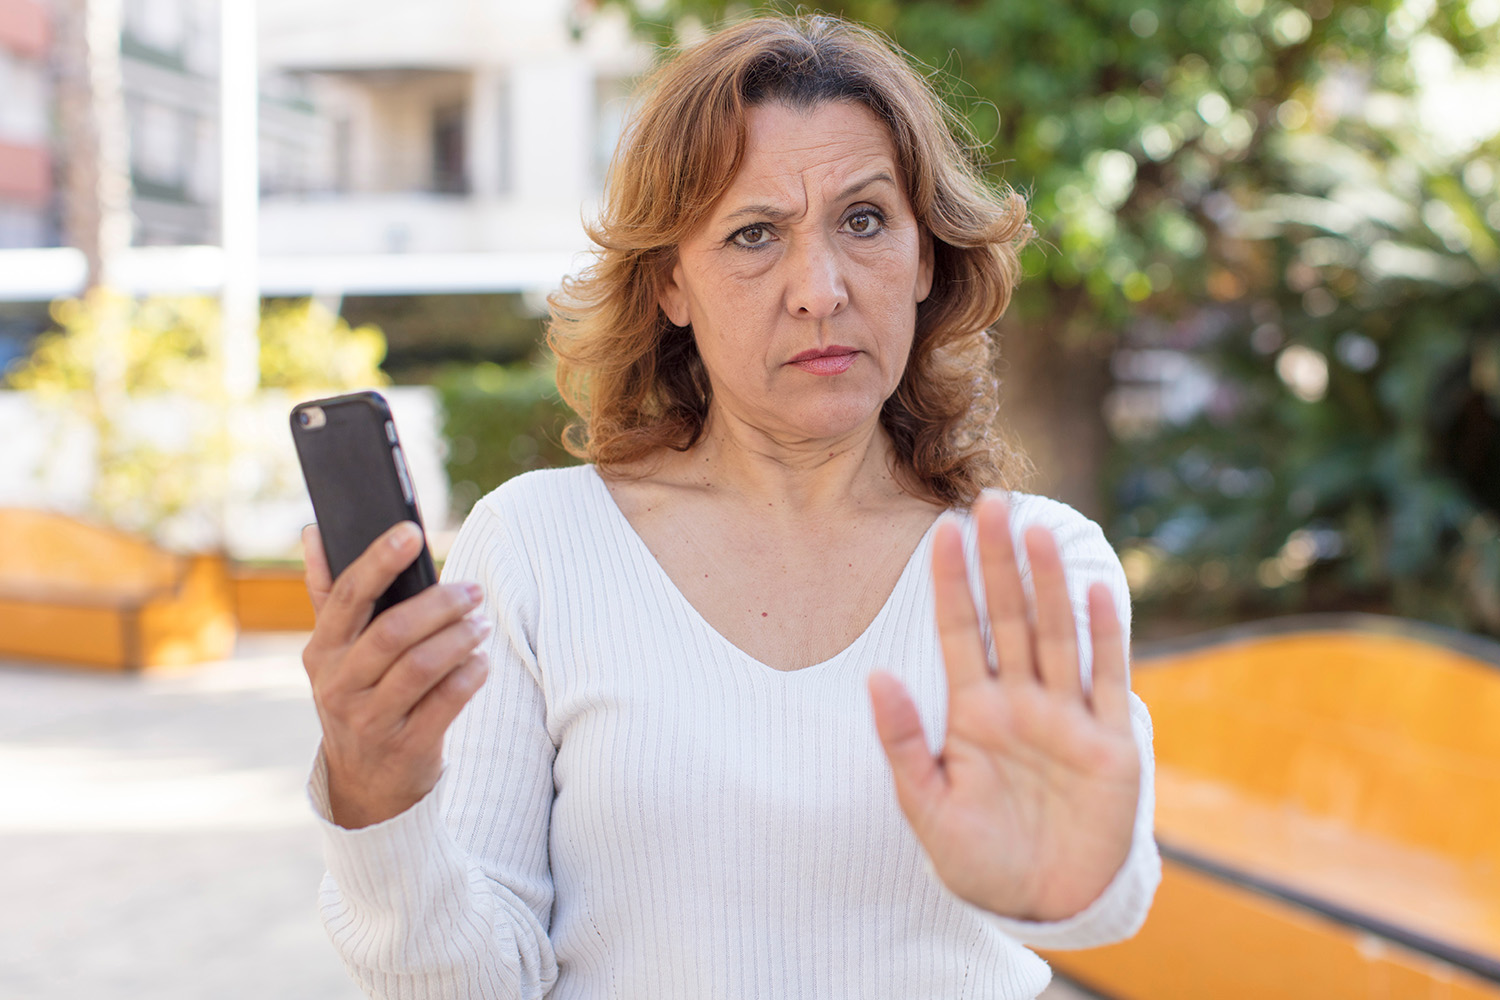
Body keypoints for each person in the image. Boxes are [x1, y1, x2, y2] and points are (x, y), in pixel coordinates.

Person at [299, 13, 1159, 999]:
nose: (821, 289)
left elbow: (1103, 894)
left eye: (865, 220)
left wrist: (1067, 877)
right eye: (755, 234)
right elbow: (466, 985)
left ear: (925, 256)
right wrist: (379, 806)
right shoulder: (540, 546)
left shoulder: (1039, 564)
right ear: (670, 282)